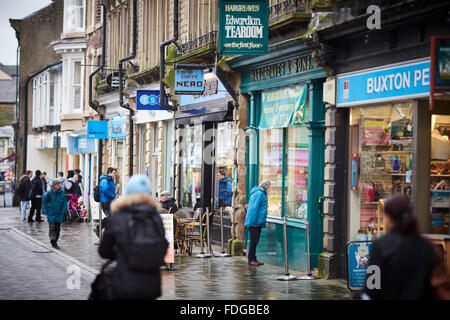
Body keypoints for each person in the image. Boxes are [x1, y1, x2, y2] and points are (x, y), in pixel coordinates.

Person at [97, 174, 168, 299]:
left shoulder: (118, 217)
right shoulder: (155, 218)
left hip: (125, 281)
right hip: (151, 285)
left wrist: (122, 253)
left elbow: (104, 250)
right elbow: (162, 246)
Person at [362, 193, 436, 300]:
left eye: (384, 214)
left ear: (390, 217)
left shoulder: (381, 245)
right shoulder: (426, 246)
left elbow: (371, 286)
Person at [244, 180, 270, 266]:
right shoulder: (259, 194)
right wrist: (253, 222)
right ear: (266, 187)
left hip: (257, 221)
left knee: (255, 241)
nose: (270, 189)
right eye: (269, 187)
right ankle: (251, 259)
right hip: (254, 222)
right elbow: (253, 209)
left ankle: (253, 258)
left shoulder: (260, 193)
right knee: (253, 241)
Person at [42, 180, 67, 249]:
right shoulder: (49, 193)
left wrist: (64, 211)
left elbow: (65, 202)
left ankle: (55, 239)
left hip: (59, 213)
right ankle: (52, 239)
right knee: (52, 227)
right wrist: (44, 211)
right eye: (57, 184)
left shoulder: (62, 193)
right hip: (51, 213)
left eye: (59, 184)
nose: (59, 185)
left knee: (57, 228)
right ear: (53, 185)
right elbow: (44, 201)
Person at [95, 167, 117, 236]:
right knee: (111, 217)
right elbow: (105, 190)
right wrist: (114, 196)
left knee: (112, 217)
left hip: (110, 201)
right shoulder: (105, 180)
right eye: (113, 173)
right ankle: (99, 228)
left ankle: (105, 233)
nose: (114, 175)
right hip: (106, 202)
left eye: (115, 173)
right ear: (109, 172)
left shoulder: (110, 180)